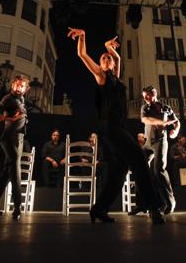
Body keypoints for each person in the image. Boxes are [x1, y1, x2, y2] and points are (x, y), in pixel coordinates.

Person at [67, 27, 164, 224]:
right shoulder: (101, 77)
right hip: (109, 126)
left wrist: (108, 48)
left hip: (118, 127)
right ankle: (153, 207)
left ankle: (99, 209)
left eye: (107, 58)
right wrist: (84, 35)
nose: (105, 60)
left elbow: (118, 59)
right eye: (102, 59)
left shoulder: (116, 78)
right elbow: (82, 54)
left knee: (120, 170)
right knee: (138, 158)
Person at [0, 75, 29, 221]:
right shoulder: (8, 99)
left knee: (6, 173)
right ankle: (17, 207)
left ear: (25, 89)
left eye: (22, 86)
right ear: (12, 85)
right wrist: (9, 118)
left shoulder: (21, 99)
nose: (19, 88)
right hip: (8, 138)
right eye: (17, 85)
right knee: (15, 167)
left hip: (19, 139)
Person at [137, 85, 179, 214]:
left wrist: (175, 131)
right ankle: (141, 205)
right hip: (148, 143)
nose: (146, 98)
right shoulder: (145, 108)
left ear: (154, 94)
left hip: (160, 142)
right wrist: (162, 123)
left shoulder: (166, 108)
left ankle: (170, 202)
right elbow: (145, 119)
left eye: (148, 95)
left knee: (159, 170)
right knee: (139, 168)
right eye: (144, 97)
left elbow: (176, 121)